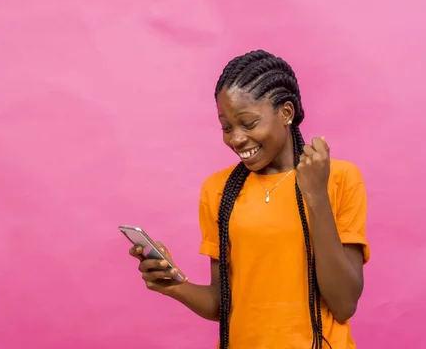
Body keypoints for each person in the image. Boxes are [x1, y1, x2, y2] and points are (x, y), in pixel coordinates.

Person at [128, 50, 370, 349]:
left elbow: (344, 303)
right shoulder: (219, 190)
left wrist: (316, 195)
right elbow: (224, 302)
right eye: (227, 127)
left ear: (286, 113)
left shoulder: (339, 178)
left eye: (248, 123)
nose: (236, 139)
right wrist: (175, 286)